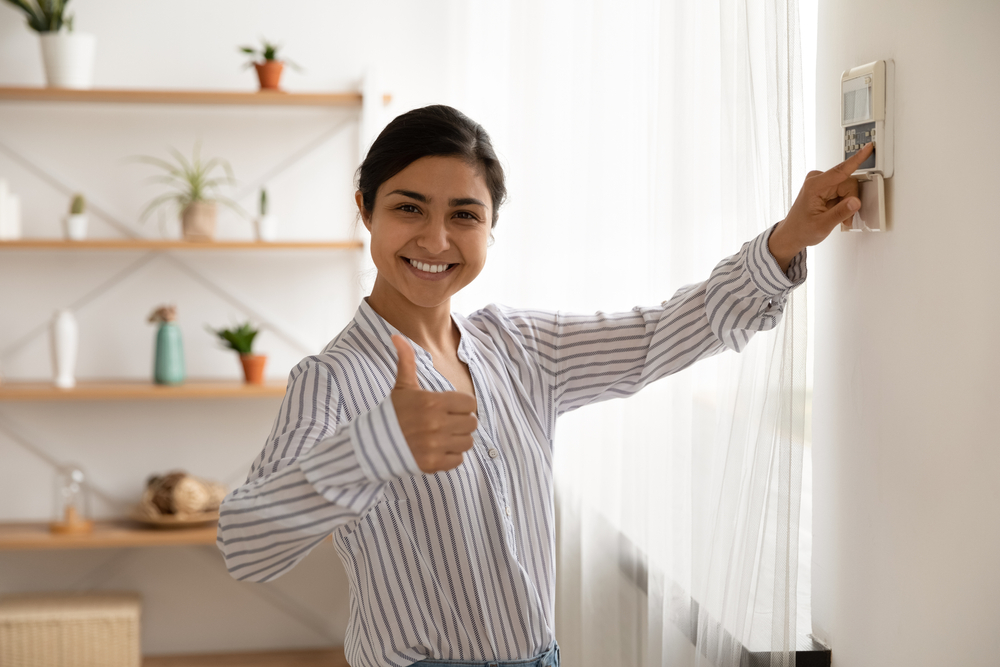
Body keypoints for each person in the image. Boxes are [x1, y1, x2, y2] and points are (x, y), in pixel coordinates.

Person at [217, 105, 873, 667]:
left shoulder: (519, 347)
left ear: (490, 230)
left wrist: (790, 236)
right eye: (408, 207)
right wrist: (376, 443)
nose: (436, 238)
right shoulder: (331, 381)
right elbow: (244, 544)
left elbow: (660, 334)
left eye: (465, 215)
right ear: (365, 210)